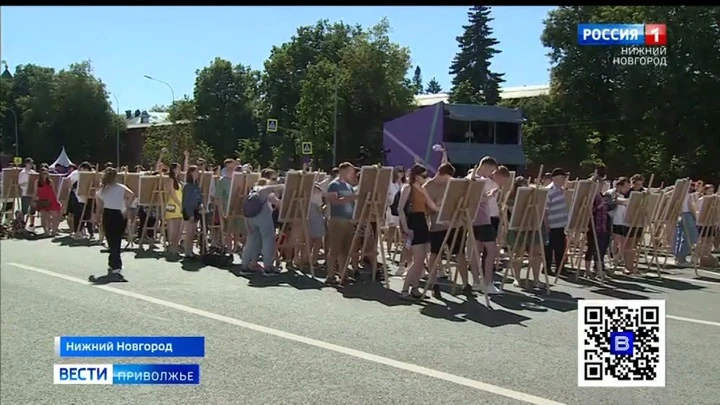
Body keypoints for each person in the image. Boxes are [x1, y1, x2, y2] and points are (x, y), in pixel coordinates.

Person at [424, 158, 466, 299]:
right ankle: (434, 283)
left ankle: (466, 284)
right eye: (447, 178)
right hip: (437, 226)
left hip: (455, 224)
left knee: (460, 254)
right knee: (434, 255)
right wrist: (436, 205)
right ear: (441, 174)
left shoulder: (453, 184)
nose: (449, 181)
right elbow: (426, 209)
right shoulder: (427, 187)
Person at [398, 163, 438, 299]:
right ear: (416, 176)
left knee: (421, 260)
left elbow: (433, 206)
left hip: (422, 222)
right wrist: (406, 227)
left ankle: (415, 288)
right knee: (417, 259)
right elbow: (400, 209)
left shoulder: (422, 189)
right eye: (423, 176)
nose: (425, 178)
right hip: (413, 222)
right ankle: (404, 290)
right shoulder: (408, 188)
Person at [90, 167, 134, 283]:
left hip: (108, 214)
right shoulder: (121, 188)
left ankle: (115, 263)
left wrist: (97, 217)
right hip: (120, 213)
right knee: (117, 239)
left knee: (111, 239)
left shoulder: (103, 190)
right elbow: (132, 195)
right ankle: (115, 263)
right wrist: (126, 206)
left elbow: (99, 206)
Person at [236, 176, 284, 276]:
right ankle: (268, 267)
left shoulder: (253, 190)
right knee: (268, 241)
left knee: (251, 241)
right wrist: (285, 186)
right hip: (263, 218)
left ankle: (244, 266)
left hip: (250, 219)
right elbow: (277, 200)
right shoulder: (264, 190)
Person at [324, 162, 359, 285]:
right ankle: (330, 275)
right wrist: (350, 199)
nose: (352, 174)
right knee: (334, 248)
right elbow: (333, 201)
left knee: (345, 250)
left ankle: (342, 274)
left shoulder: (349, 186)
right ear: (343, 171)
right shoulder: (334, 185)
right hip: (337, 219)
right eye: (350, 171)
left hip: (348, 221)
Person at [505, 176, 543, 288]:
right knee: (518, 254)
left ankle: (536, 279)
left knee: (536, 253)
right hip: (518, 228)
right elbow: (515, 214)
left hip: (532, 226)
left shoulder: (533, 197)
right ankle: (517, 278)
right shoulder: (511, 200)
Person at [544, 168, 569, 276]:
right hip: (551, 224)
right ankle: (547, 268)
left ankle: (560, 267)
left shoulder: (562, 190)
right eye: (562, 178)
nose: (564, 180)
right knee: (549, 248)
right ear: (556, 178)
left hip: (560, 224)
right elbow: (544, 210)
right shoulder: (549, 190)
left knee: (560, 247)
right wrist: (546, 225)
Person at [67, 161, 95, 239]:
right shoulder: (75, 174)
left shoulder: (91, 174)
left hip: (88, 197)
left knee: (88, 215)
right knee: (78, 215)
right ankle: (77, 231)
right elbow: (68, 182)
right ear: (81, 168)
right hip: (78, 197)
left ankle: (90, 232)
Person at [182, 165, 203, 257]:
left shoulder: (196, 185)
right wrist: (190, 213)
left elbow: (198, 197)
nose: (198, 173)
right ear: (191, 173)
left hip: (196, 210)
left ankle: (190, 250)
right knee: (189, 232)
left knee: (193, 232)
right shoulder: (187, 186)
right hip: (189, 210)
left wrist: (201, 204)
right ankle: (187, 251)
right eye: (196, 171)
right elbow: (186, 201)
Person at [34, 168, 62, 236]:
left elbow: (54, 192)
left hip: (52, 200)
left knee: (55, 216)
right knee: (44, 217)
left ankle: (54, 231)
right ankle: (46, 232)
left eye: (46, 173)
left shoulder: (50, 181)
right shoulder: (37, 182)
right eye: (43, 173)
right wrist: (34, 201)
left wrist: (57, 200)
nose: (45, 175)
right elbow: (35, 192)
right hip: (42, 200)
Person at [164, 163, 184, 257]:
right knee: (173, 227)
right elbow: (172, 193)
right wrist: (179, 203)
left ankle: (175, 246)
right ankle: (172, 247)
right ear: (174, 169)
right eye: (178, 168)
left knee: (178, 228)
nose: (180, 170)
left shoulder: (178, 180)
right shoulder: (171, 179)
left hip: (179, 204)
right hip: (173, 204)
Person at [18, 158, 37, 231]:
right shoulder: (22, 173)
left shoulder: (33, 172)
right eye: (30, 163)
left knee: (33, 210)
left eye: (32, 164)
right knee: (24, 210)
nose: (31, 165)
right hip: (25, 193)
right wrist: (27, 183)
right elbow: (20, 183)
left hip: (32, 193)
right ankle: (22, 225)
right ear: (26, 164)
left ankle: (32, 225)